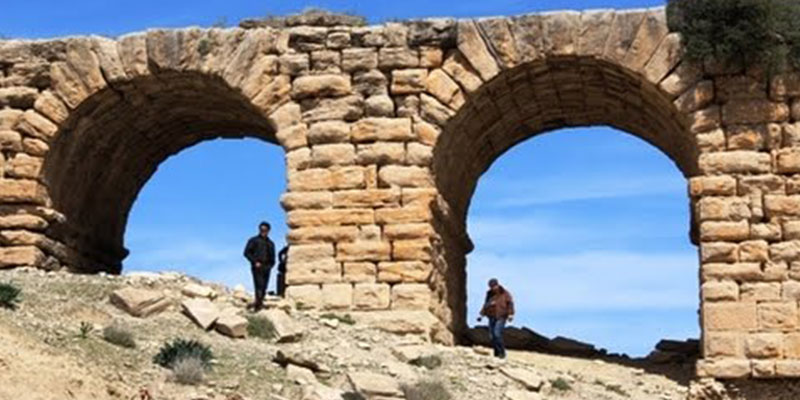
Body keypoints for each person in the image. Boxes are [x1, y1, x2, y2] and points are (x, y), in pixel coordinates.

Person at [478, 278, 515, 359]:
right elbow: (486, 305)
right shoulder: (489, 294)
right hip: (491, 316)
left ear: (497, 285)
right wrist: (481, 315)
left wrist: (510, 314)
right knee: (492, 336)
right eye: (491, 287)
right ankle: (496, 353)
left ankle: (502, 353)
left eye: (494, 286)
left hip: (501, 316)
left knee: (497, 334)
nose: (493, 288)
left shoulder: (505, 293)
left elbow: (510, 304)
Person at [243, 221, 275, 311]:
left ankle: (259, 303)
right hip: (257, 266)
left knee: (264, 287)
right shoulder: (253, 240)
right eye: (261, 230)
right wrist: (255, 261)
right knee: (259, 286)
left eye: (265, 230)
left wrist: (271, 265)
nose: (263, 231)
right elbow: (246, 253)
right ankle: (258, 307)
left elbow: (273, 256)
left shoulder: (271, 243)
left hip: (267, 267)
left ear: (268, 231)